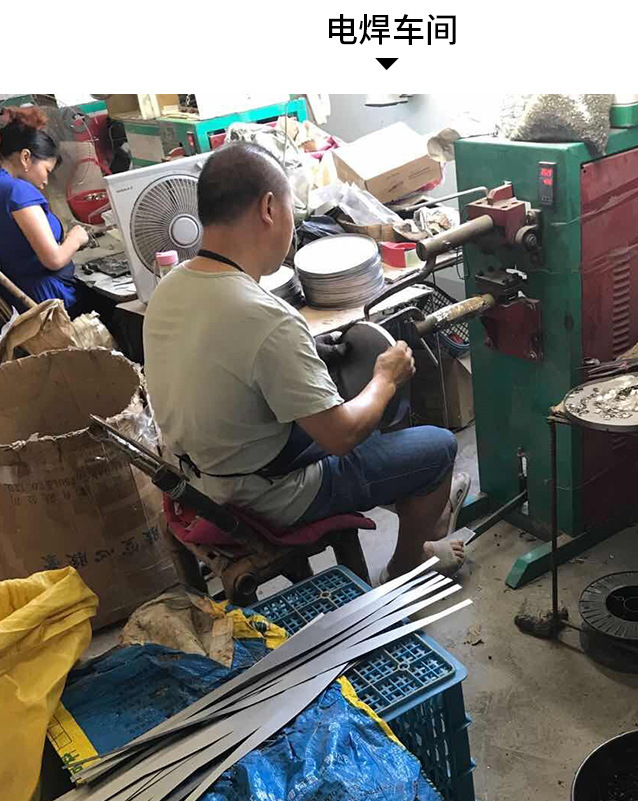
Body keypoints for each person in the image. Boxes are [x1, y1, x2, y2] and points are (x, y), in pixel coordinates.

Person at [144, 142, 469, 580]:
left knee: (371, 423)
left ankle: (414, 514)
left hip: (198, 479)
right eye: (290, 210)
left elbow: (226, 361)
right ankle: (405, 564)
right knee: (436, 447)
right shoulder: (267, 318)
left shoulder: (169, 287)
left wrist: (308, 354)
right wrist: (386, 377)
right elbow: (342, 436)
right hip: (266, 495)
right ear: (268, 208)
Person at [0, 106, 105, 319]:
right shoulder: (17, 191)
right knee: (113, 309)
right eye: (46, 170)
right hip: (48, 303)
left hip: (19, 298)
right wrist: (76, 238)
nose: (45, 181)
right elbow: (53, 259)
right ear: (26, 157)